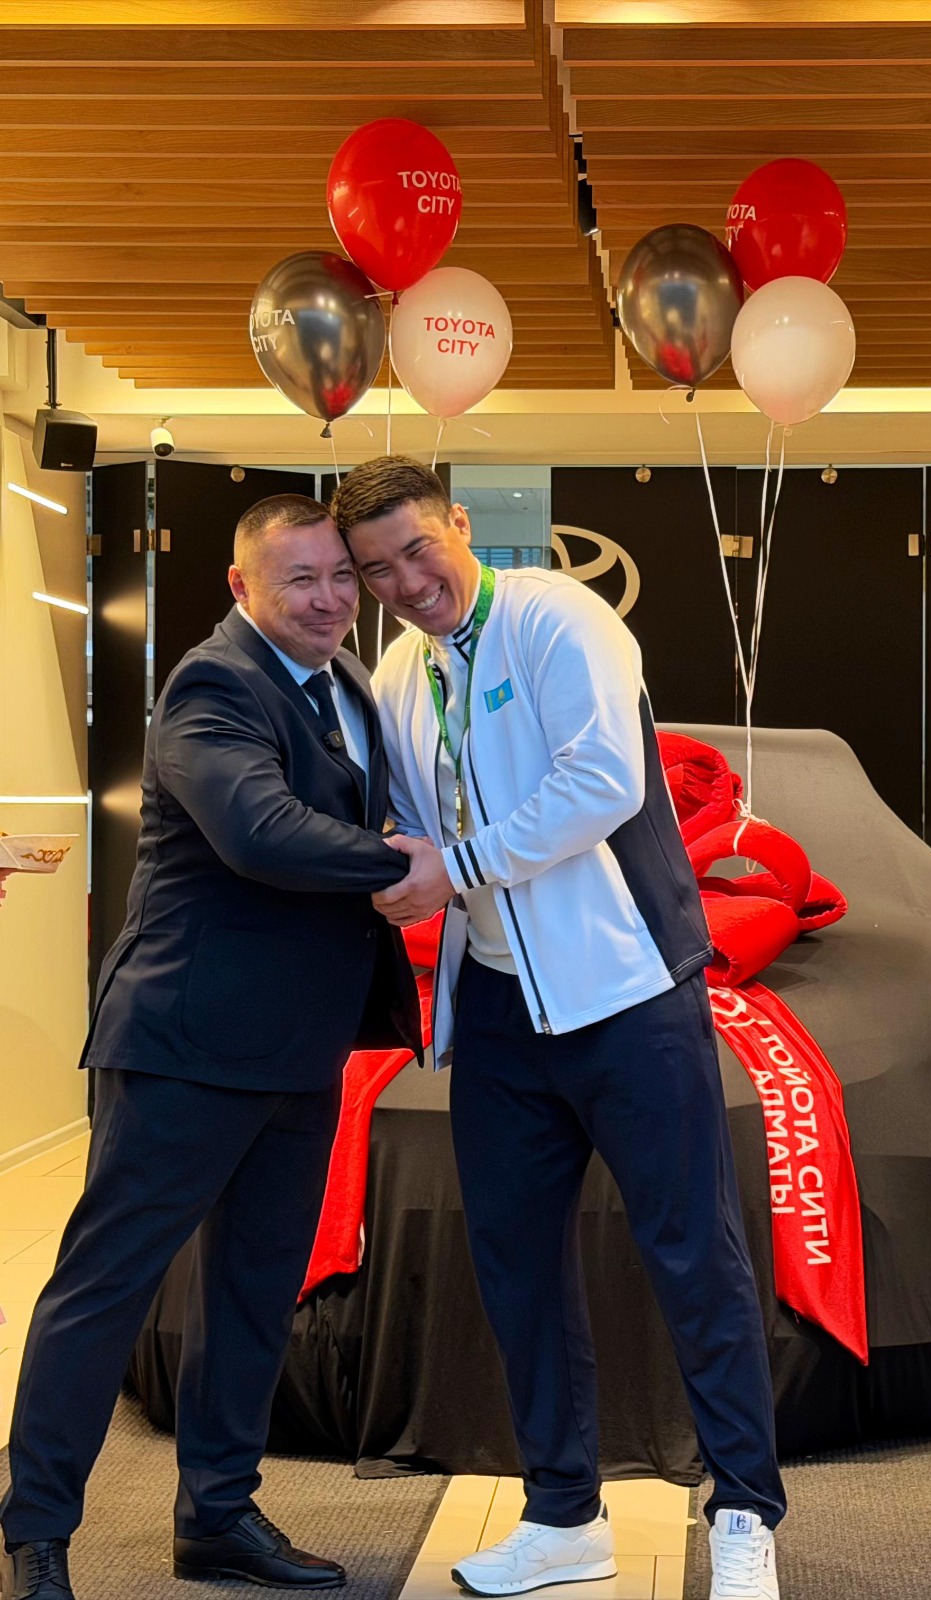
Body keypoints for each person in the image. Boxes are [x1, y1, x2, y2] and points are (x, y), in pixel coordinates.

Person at [331, 458, 785, 1600]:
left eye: (417, 550)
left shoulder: (558, 618)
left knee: (694, 1257)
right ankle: (563, 1515)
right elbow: (412, 823)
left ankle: (743, 1511)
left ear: (459, 524)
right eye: (377, 570)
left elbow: (603, 782)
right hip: (497, 1010)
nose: (405, 583)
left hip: (628, 994)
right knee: (518, 1270)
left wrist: (455, 867)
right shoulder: (398, 673)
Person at [1, 496, 439, 1600]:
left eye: (339, 577)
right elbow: (258, 831)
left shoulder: (346, 682)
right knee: (105, 1288)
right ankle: (35, 1531)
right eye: (300, 580)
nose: (330, 599)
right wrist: (407, 865)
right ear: (242, 585)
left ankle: (218, 1517)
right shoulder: (213, 683)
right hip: (185, 1043)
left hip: (302, 1049)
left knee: (254, 1291)